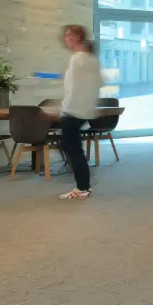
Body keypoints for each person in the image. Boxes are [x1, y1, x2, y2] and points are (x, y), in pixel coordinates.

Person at [56, 24, 102, 200]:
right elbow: (99, 83)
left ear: (76, 37)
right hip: (84, 109)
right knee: (73, 147)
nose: (65, 38)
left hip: (73, 110)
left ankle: (82, 187)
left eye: (68, 35)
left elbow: (72, 89)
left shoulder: (77, 59)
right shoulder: (91, 59)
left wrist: (63, 110)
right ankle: (83, 186)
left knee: (72, 147)